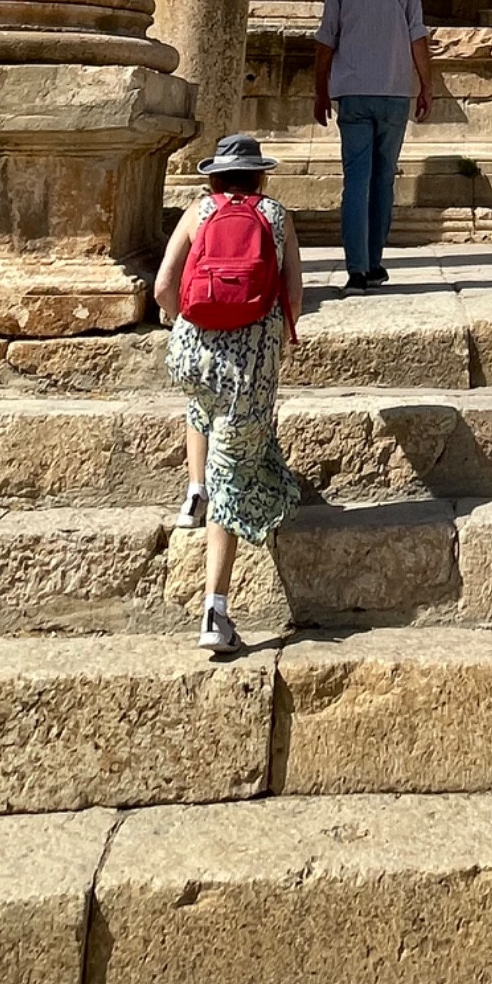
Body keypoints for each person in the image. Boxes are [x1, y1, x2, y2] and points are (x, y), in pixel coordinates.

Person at [153, 134, 304, 657]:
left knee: (201, 404)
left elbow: (162, 285)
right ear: (260, 176)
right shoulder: (277, 216)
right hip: (250, 367)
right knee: (232, 479)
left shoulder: (198, 211)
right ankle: (215, 610)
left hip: (193, 352)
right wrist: (275, 340)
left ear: (214, 176)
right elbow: (294, 293)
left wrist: (183, 321)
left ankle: (193, 490)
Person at [313, 0, 431, 293]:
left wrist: (320, 91)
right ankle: (376, 262)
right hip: (395, 93)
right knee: (383, 181)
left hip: (353, 93)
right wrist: (426, 86)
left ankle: (357, 271)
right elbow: (418, 37)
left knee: (356, 181)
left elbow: (326, 41)